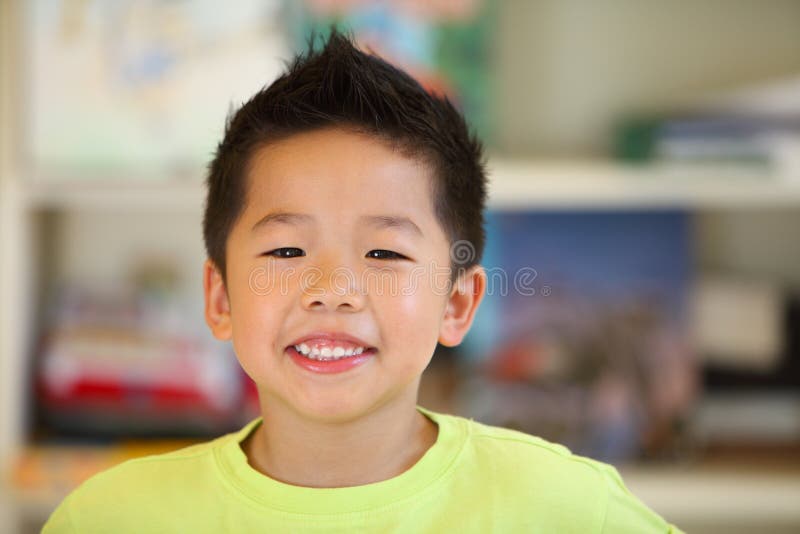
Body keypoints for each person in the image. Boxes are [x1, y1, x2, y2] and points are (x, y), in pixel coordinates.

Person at [43, 29, 684, 533]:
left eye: (384, 253)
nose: (334, 288)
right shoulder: (110, 518)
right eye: (288, 248)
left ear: (457, 303)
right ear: (220, 298)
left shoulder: (569, 510)